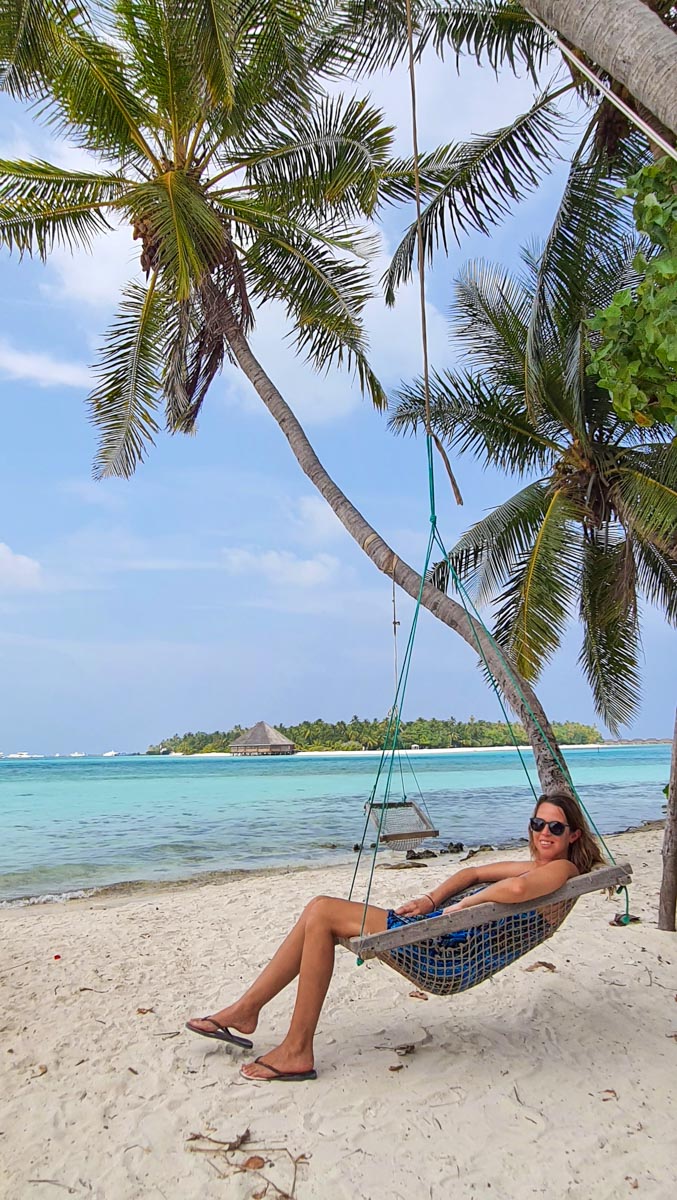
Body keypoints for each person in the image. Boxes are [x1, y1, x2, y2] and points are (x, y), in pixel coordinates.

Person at [186, 792, 604, 1081]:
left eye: (555, 826)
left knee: (324, 911)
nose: (544, 832)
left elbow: (513, 892)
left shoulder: (562, 871)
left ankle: (294, 1047)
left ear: (574, 836)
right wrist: (430, 898)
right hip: (439, 939)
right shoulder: (537, 867)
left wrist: (459, 908)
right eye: (537, 823)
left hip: (448, 955)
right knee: (319, 912)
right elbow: (472, 872)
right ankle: (247, 1011)